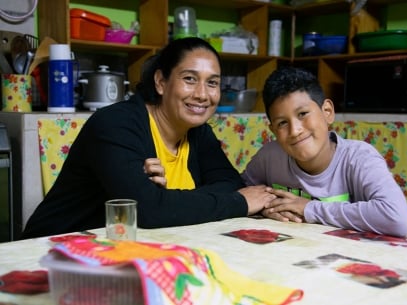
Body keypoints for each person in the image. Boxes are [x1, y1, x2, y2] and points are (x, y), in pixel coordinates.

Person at [22, 37, 274, 239]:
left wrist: (167, 201)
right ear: (161, 82)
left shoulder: (197, 132)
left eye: (212, 83)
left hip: (124, 249)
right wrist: (239, 203)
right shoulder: (116, 125)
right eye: (189, 79)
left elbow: (230, 184)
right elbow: (149, 211)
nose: (202, 94)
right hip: (53, 249)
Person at [241, 66, 407, 237]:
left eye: (303, 114)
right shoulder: (270, 157)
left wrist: (309, 208)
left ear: (327, 112)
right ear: (273, 131)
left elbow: (397, 218)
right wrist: (267, 207)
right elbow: (240, 191)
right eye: (282, 123)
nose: (295, 130)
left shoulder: (359, 158)